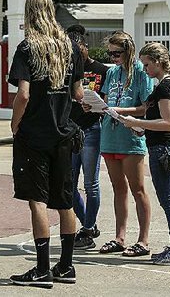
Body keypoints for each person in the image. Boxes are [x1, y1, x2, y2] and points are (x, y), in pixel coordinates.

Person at [9, 0, 84, 288]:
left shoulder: (27, 48)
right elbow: (78, 93)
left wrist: (15, 124)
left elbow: (23, 94)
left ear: (29, 14)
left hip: (35, 135)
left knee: (37, 200)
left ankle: (41, 269)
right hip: (64, 132)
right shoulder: (70, 48)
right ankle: (66, 265)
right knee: (65, 201)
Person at [119, 42, 170, 265]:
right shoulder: (168, 84)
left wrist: (138, 122)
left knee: (168, 200)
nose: (145, 69)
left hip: (163, 148)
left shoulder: (164, 87)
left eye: (147, 64)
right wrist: (143, 127)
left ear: (158, 62)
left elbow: (168, 123)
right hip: (162, 146)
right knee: (168, 199)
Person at [98, 30, 153, 257]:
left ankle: (143, 239)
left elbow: (146, 107)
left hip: (130, 137)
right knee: (118, 188)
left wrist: (120, 110)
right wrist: (95, 106)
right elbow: (105, 100)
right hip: (109, 136)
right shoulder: (112, 73)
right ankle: (120, 237)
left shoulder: (141, 72)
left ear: (128, 51)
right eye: (110, 54)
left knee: (137, 189)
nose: (113, 58)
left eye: (117, 53)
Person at [66, 28, 107, 250]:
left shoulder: (100, 70)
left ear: (85, 47)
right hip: (71, 131)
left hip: (91, 130)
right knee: (69, 184)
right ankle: (87, 226)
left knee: (91, 183)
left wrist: (97, 106)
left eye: (77, 50)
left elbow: (108, 102)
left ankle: (88, 228)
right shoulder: (68, 70)